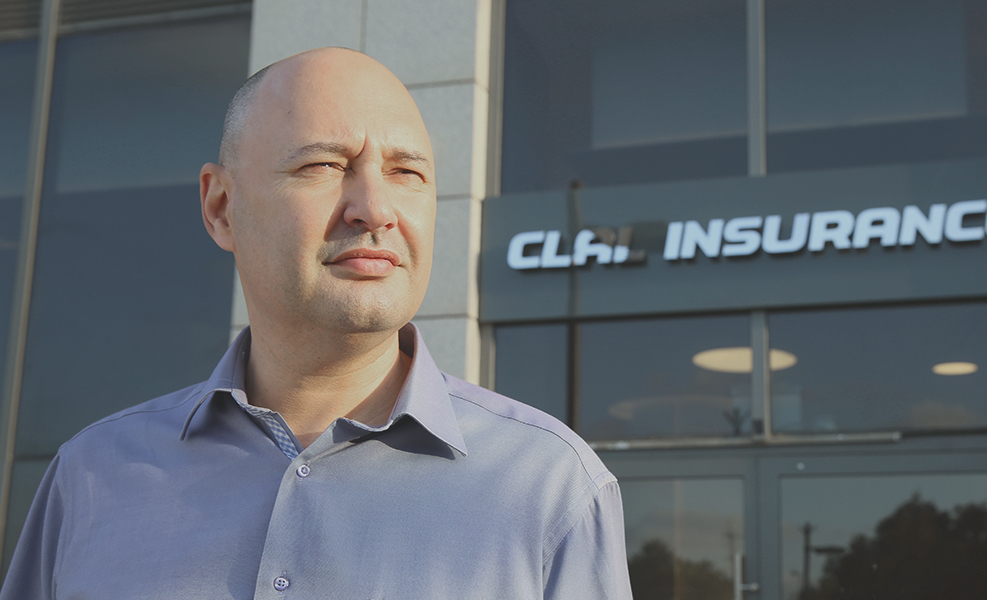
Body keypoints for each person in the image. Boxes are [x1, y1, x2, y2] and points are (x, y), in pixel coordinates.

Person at [0, 47, 633, 599]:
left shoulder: (551, 490)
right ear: (221, 208)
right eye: (323, 166)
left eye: (406, 173)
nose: (375, 208)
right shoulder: (89, 479)